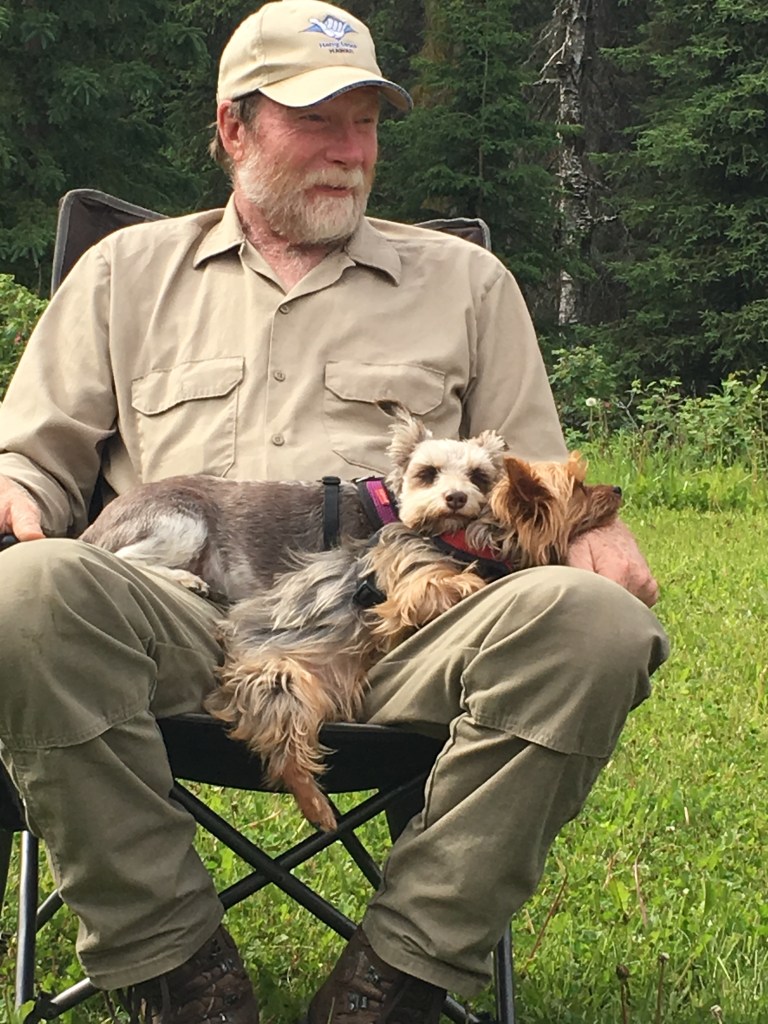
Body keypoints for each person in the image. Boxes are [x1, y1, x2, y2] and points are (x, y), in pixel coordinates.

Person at [0, 2, 669, 1022]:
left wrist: (593, 525)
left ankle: (397, 977)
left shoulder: (467, 283)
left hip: (398, 630)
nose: (352, 152)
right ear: (233, 127)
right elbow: (29, 462)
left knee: (598, 625)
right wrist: (12, 488)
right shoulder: (122, 274)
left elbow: (536, 483)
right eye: (317, 122)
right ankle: (175, 967)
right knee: (23, 591)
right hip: (177, 622)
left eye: (366, 124)